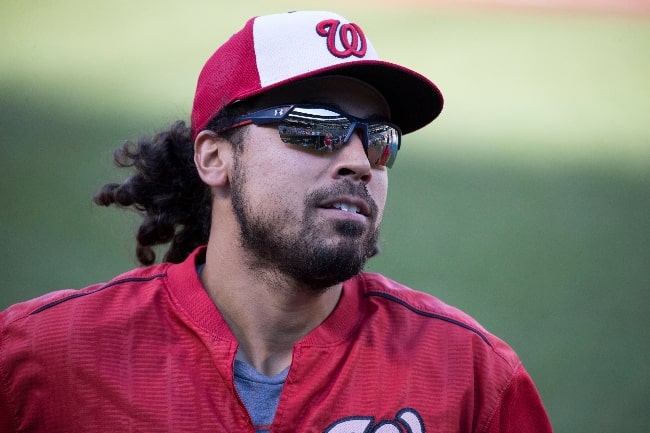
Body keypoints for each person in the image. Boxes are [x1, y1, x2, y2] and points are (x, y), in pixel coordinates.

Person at [0, 10, 553, 433]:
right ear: (215, 158)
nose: (359, 162)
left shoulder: (470, 375)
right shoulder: (43, 358)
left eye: (379, 140)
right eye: (314, 127)